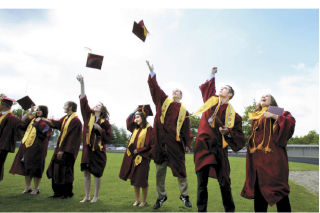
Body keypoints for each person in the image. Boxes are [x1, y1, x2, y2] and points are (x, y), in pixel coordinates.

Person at [193, 67, 245, 212]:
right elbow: (208, 89)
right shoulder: (211, 102)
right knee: (201, 184)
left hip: (219, 151)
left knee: (224, 183)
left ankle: (230, 210)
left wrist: (227, 132)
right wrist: (212, 74)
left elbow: (239, 136)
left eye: (225, 89)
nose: (221, 89)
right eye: (220, 88)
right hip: (203, 148)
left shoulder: (233, 115)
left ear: (230, 95)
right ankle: (201, 210)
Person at [146, 60, 193, 209]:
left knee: (181, 172)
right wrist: (152, 72)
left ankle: (184, 196)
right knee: (159, 173)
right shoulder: (163, 101)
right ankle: (161, 197)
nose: (175, 92)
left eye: (178, 91)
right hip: (160, 143)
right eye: (174, 91)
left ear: (181, 96)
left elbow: (186, 130)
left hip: (175, 145)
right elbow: (156, 89)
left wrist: (187, 144)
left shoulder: (184, 111)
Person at [241, 94, 295, 212]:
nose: (263, 96)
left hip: (274, 162)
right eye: (262, 96)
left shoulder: (277, 111)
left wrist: (274, 116)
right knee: (259, 198)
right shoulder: (256, 116)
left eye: (267, 96)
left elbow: (290, 123)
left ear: (273, 101)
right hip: (258, 164)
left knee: (280, 194)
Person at [76, 74, 112, 203]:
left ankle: (96, 196)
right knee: (86, 173)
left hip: (98, 151)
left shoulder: (106, 123)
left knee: (97, 173)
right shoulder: (88, 117)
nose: (95, 106)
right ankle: (87, 196)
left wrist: (99, 129)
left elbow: (108, 138)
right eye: (95, 105)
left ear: (102, 110)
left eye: (98, 106)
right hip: (87, 149)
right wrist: (82, 83)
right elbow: (84, 101)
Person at [44, 101, 82, 199]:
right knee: (56, 170)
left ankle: (67, 193)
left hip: (67, 151)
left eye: (65, 105)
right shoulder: (66, 118)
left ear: (70, 107)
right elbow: (57, 124)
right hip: (60, 148)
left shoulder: (76, 121)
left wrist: (63, 150)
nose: (63, 107)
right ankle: (58, 193)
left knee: (66, 172)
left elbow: (72, 138)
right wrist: (46, 120)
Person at [10, 105, 51, 195]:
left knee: (36, 168)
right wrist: (29, 111)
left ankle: (36, 189)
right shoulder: (32, 119)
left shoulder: (46, 123)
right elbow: (21, 122)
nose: (37, 111)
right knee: (26, 167)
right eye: (37, 110)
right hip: (26, 147)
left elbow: (45, 134)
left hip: (37, 149)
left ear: (44, 112)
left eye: (39, 110)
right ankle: (28, 187)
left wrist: (37, 124)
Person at [119, 105, 153, 207]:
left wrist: (138, 150)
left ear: (143, 118)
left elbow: (149, 144)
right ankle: (137, 200)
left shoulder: (149, 129)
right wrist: (134, 111)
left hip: (143, 157)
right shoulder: (135, 128)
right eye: (135, 117)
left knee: (142, 180)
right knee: (135, 180)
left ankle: (144, 201)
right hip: (133, 157)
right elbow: (128, 121)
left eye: (138, 117)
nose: (135, 119)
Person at [0, 97, 23, 181]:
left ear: (3, 105)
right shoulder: (2, 115)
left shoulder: (11, 117)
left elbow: (7, 134)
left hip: (2, 146)